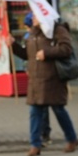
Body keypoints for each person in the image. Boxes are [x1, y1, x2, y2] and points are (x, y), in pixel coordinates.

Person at [9, 14, 78, 156]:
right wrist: (13, 45)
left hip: (52, 78)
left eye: (35, 15)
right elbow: (28, 54)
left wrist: (47, 53)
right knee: (35, 112)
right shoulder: (34, 32)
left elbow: (66, 49)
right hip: (36, 79)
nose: (32, 18)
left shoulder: (57, 30)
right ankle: (35, 144)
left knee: (59, 109)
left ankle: (71, 139)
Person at [22, 12, 51, 144]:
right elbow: (26, 55)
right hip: (34, 76)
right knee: (36, 109)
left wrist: (46, 53)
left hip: (44, 76)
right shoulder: (31, 35)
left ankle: (42, 136)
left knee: (49, 108)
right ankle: (36, 140)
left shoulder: (46, 33)